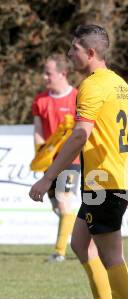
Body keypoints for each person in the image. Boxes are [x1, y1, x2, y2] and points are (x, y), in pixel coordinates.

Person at [29, 24, 128, 299]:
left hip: (104, 182)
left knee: (113, 257)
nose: (69, 54)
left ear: (90, 53)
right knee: (81, 244)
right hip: (107, 180)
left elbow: (80, 134)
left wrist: (48, 176)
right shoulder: (119, 84)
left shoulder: (92, 86)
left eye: (74, 49)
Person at [32, 53, 79, 262]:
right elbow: (38, 131)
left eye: (48, 73)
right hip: (49, 163)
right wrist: (40, 153)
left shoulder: (77, 97)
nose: (44, 77)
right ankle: (87, 226)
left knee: (63, 201)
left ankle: (59, 251)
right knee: (58, 207)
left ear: (63, 73)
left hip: (71, 161)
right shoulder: (40, 101)